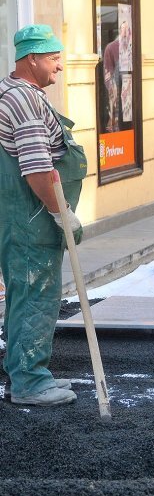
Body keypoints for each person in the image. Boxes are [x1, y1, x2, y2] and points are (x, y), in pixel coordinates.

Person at [0, 25, 87, 406]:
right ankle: (30, 382)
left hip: (19, 218)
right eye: (53, 59)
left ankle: (24, 370)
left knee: (23, 293)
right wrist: (61, 213)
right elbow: (37, 168)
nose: (59, 67)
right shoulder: (25, 101)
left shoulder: (9, 91)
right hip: (32, 217)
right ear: (31, 59)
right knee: (36, 294)